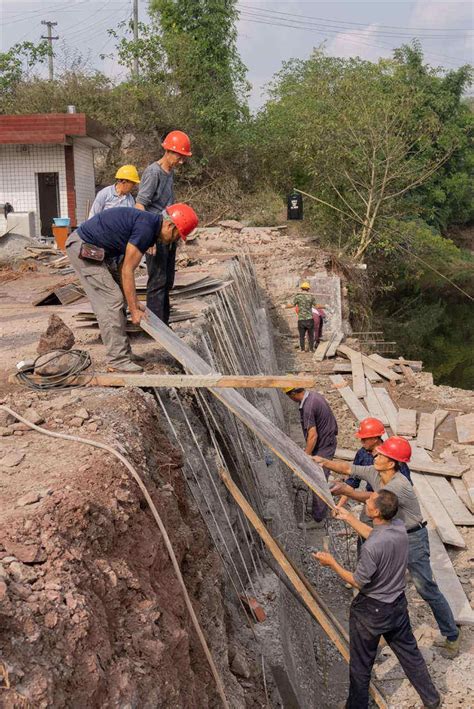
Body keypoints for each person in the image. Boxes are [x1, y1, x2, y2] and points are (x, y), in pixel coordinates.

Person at [314, 436, 460, 656]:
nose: (376, 455)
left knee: (425, 587)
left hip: (412, 539)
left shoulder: (399, 485)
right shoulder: (377, 471)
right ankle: (381, 631)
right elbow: (349, 467)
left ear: (392, 463)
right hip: (393, 533)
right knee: (382, 583)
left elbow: (373, 499)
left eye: (382, 454)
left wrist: (346, 491)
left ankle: (451, 635)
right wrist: (322, 462)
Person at [314, 490, 441, 709]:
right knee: (410, 654)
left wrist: (332, 563)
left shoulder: (372, 548)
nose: (367, 499)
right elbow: (375, 534)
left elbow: (358, 581)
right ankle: (432, 699)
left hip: (371, 610)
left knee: (361, 665)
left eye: (370, 500)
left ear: (376, 512)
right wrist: (350, 518)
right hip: (397, 605)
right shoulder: (399, 528)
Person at [66, 204, 198, 373]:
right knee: (112, 301)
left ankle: (124, 353)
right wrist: (134, 311)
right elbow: (128, 269)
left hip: (97, 250)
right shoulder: (146, 229)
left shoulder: (149, 227)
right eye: (176, 236)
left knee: (121, 296)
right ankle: (117, 359)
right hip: (83, 247)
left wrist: (134, 302)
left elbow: (123, 265)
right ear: (169, 225)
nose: (175, 240)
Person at [135, 130, 192, 325]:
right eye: (179, 156)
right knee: (157, 281)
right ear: (168, 151)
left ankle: (164, 323)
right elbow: (140, 205)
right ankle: (156, 326)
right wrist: (147, 236)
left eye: (183, 158)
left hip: (169, 232)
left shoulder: (170, 172)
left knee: (167, 281)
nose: (181, 161)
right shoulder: (153, 172)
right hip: (156, 234)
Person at [283, 386, 338, 528]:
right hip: (327, 441)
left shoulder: (308, 407)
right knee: (318, 477)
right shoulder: (314, 396)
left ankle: (318, 519)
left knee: (317, 479)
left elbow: (313, 436)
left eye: (290, 396)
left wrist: (305, 456)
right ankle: (318, 509)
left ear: (294, 393)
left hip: (323, 446)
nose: (291, 400)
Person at [285, 281, 325, 352]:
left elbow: (292, 305)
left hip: (301, 320)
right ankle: (311, 349)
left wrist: (285, 306)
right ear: (308, 289)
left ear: (301, 289)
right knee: (311, 335)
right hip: (310, 319)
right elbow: (317, 306)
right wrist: (324, 306)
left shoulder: (298, 297)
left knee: (302, 336)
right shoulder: (311, 297)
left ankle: (302, 350)